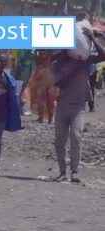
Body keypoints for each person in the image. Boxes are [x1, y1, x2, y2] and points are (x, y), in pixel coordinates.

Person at [51, 26, 105, 183]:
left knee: (76, 135)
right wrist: (79, 67)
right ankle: (62, 172)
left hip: (79, 106)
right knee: (60, 140)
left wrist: (95, 39)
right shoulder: (56, 65)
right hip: (62, 106)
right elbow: (62, 83)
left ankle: (74, 171)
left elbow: (103, 55)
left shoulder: (83, 59)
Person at [28, 50, 58, 123]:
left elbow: (36, 60)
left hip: (42, 77)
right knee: (50, 99)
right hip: (51, 77)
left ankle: (42, 118)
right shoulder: (55, 51)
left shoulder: (41, 51)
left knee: (42, 98)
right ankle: (49, 119)